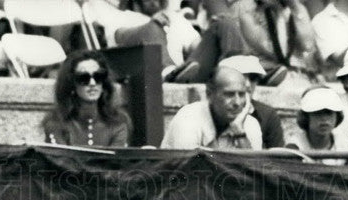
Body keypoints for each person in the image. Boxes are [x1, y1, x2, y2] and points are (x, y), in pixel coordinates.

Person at [116, 0, 247, 81]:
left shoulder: (176, 19)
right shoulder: (123, 17)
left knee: (225, 23)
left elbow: (197, 48)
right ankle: (169, 73)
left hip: (187, 74)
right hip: (156, 80)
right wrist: (153, 24)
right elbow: (121, 36)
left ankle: (236, 74)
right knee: (153, 27)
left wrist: (212, 34)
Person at [42, 50, 130, 148]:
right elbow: (60, 161)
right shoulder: (55, 123)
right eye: (83, 78)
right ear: (71, 84)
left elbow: (116, 162)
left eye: (98, 77)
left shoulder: (118, 123)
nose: (92, 83)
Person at [160, 65, 264, 147]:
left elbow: (254, 172)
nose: (237, 102)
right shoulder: (188, 119)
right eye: (229, 94)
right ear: (209, 94)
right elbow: (189, 170)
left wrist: (239, 133)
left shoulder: (250, 124)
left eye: (241, 94)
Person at [238, 0, 322, 85]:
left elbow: (307, 45)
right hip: (267, 76)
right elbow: (278, 52)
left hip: (298, 75)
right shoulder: (248, 10)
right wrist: (279, 13)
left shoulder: (294, 6)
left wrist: (295, 6)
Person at [219, 54, 287, 146]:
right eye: (240, 77)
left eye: (253, 78)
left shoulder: (268, 115)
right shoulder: (205, 112)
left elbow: (278, 157)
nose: (247, 84)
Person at [286, 84, 348, 153]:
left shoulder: (346, 146)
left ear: (337, 116)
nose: (324, 119)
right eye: (317, 113)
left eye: (329, 113)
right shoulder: (295, 146)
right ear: (306, 117)